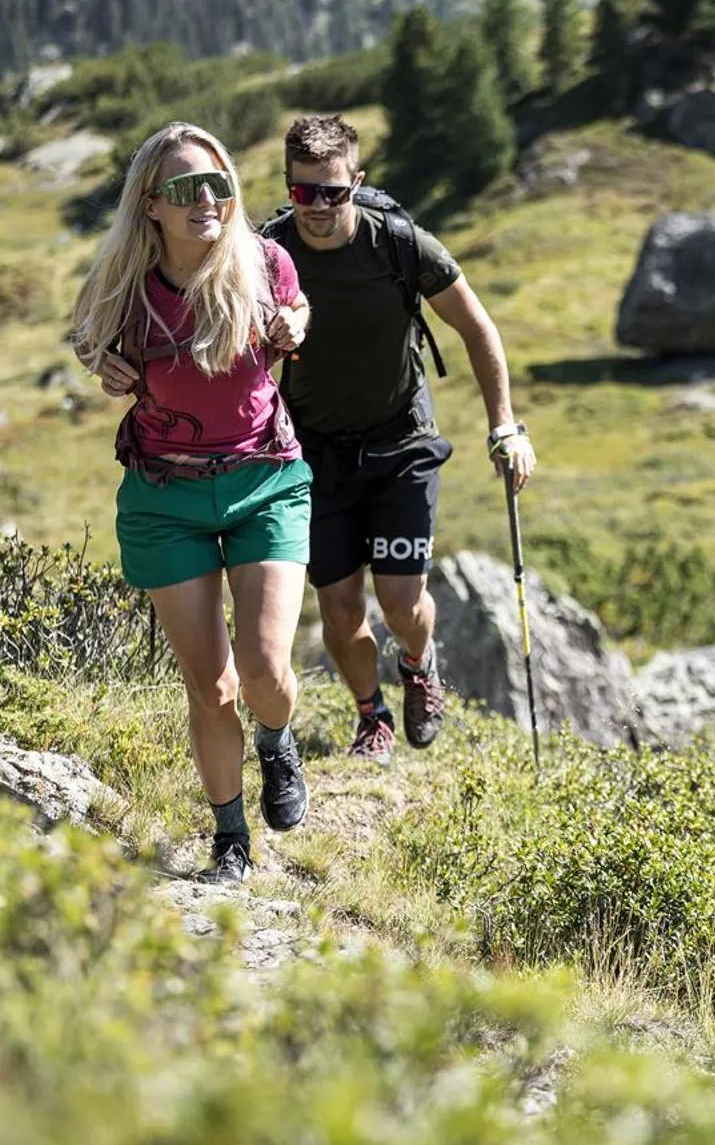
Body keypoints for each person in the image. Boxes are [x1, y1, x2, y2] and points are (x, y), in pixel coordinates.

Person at [72, 121, 314, 884]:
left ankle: (276, 742)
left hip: (265, 479)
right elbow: (87, 340)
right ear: (151, 205)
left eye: (217, 185)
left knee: (265, 667)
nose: (205, 200)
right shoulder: (125, 284)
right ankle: (230, 842)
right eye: (183, 189)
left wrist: (295, 325)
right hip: (164, 496)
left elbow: (297, 312)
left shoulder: (263, 262)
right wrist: (103, 364)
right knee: (210, 686)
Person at [260, 113, 536, 766]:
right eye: (304, 192)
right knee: (338, 605)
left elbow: (478, 330)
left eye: (333, 191)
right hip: (313, 452)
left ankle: (417, 661)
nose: (318, 208)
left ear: (356, 181)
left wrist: (504, 425)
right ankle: (371, 717)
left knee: (401, 600)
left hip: (400, 441)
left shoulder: (402, 245)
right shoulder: (267, 253)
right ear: (288, 186)